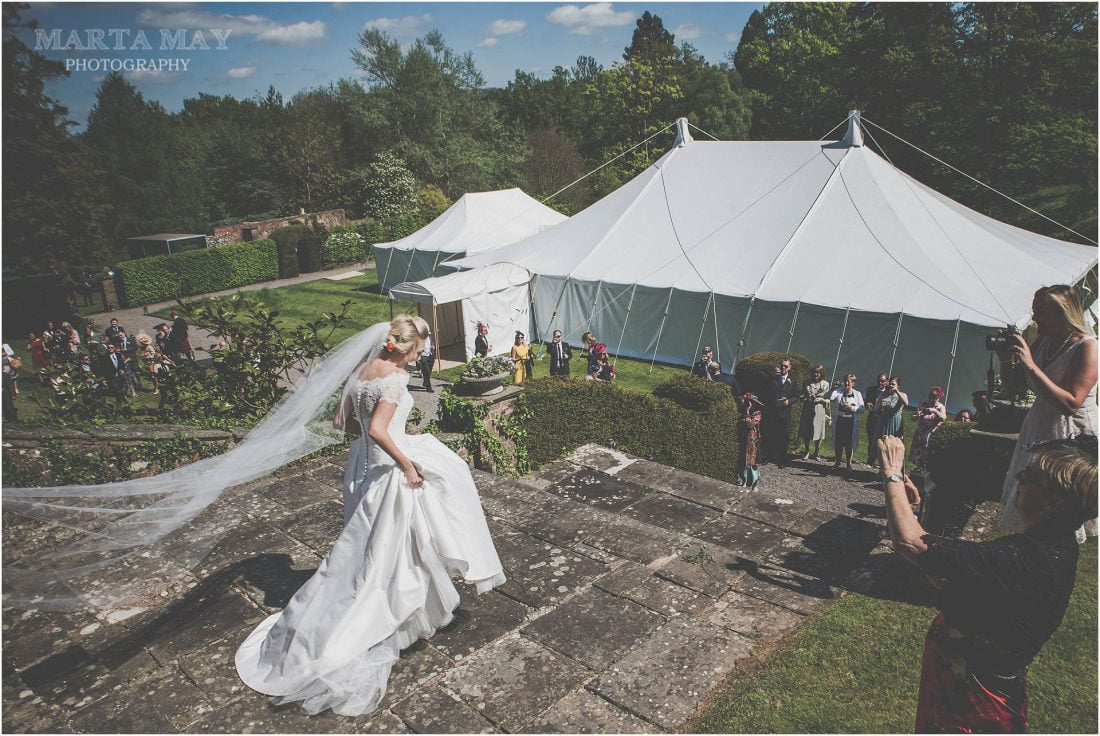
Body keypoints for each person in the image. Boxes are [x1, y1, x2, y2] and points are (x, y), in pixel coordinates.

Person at [235, 315, 505, 716]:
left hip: (359, 469)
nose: (419, 358)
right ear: (403, 347)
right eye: (417, 351)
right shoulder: (395, 378)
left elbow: (342, 423)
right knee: (391, 550)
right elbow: (380, 429)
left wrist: (376, 438)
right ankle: (382, 616)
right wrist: (407, 463)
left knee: (369, 549)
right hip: (387, 473)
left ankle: (411, 609)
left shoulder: (361, 371)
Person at [876, 434, 1095, 733]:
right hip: (961, 696)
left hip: (973, 710)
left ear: (1053, 503)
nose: (1018, 477)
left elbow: (912, 543)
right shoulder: (1046, 547)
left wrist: (891, 471)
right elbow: (942, 574)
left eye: (1029, 476)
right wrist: (908, 508)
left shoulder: (1030, 558)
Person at [997, 284, 1097, 540]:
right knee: (1033, 499)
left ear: (1062, 313)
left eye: (1040, 312)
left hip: (1071, 434)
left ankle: (1057, 554)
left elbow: (1070, 404)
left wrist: (1031, 365)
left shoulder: (1087, 347)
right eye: (1034, 311)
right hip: (1039, 426)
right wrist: (1004, 358)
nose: (1034, 318)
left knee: (1061, 502)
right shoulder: (1043, 341)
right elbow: (1013, 386)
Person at [762, 356, 799, 465]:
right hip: (772, 411)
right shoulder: (773, 378)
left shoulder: (793, 380)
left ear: (789, 367)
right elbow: (766, 394)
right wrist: (773, 401)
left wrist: (789, 401)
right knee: (770, 434)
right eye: (782, 365)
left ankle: (782, 459)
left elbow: (796, 396)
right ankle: (767, 457)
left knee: (783, 436)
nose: (783, 368)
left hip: (785, 413)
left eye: (786, 366)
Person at [869, 376, 908, 466]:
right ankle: (881, 468)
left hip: (894, 423)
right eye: (890, 383)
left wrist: (897, 391)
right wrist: (880, 405)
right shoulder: (884, 394)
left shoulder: (902, 394)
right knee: (882, 445)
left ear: (898, 386)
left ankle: (890, 468)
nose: (891, 385)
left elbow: (906, 403)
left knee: (891, 446)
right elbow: (875, 409)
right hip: (883, 422)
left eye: (893, 384)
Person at [829, 373, 864, 471]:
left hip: (850, 421)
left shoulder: (857, 394)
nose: (846, 383)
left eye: (849, 382)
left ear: (853, 383)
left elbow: (862, 409)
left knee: (849, 444)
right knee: (838, 443)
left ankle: (848, 463)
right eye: (845, 381)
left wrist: (851, 408)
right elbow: (830, 397)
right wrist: (833, 388)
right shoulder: (839, 391)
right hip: (839, 420)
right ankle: (837, 462)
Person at [798, 364, 831, 460]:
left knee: (819, 431)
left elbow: (829, 399)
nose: (816, 374)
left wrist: (822, 400)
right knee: (806, 430)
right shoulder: (806, 382)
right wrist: (805, 397)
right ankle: (807, 451)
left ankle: (816, 452)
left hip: (820, 410)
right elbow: (801, 396)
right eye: (814, 372)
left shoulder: (826, 384)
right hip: (808, 409)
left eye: (818, 373)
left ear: (822, 374)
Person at [911, 386, 947, 472]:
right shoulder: (923, 404)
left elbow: (944, 418)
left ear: (938, 398)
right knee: (918, 449)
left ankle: (925, 467)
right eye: (930, 397)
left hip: (931, 432)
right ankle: (918, 467)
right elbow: (913, 418)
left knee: (926, 450)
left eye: (934, 398)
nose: (931, 400)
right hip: (921, 431)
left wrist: (935, 411)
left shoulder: (940, 407)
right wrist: (917, 416)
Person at [736, 392, 764, 488]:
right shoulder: (744, 412)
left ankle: (754, 483)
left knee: (752, 462)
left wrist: (747, 412)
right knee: (744, 461)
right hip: (745, 439)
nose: (748, 404)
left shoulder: (757, 414)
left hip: (753, 441)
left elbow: (750, 424)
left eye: (750, 402)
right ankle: (744, 480)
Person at [864, 373, 889, 463]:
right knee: (871, 439)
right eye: (878, 381)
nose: (880, 383)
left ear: (887, 381)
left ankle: (881, 460)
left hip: (883, 419)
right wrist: (867, 405)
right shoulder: (871, 390)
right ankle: (871, 458)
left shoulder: (889, 392)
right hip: (872, 418)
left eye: (882, 381)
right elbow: (866, 402)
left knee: (881, 440)